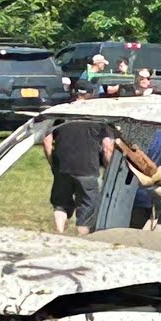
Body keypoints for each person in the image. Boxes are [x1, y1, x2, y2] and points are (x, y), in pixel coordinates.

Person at [42, 80, 114, 234]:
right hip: (87, 168)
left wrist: (53, 162)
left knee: (60, 203)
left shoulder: (61, 113)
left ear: (73, 93)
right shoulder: (98, 117)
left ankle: (59, 233)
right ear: (91, 94)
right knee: (87, 207)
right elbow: (108, 147)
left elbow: (46, 139)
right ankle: (83, 238)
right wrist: (109, 168)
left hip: (62, 167)